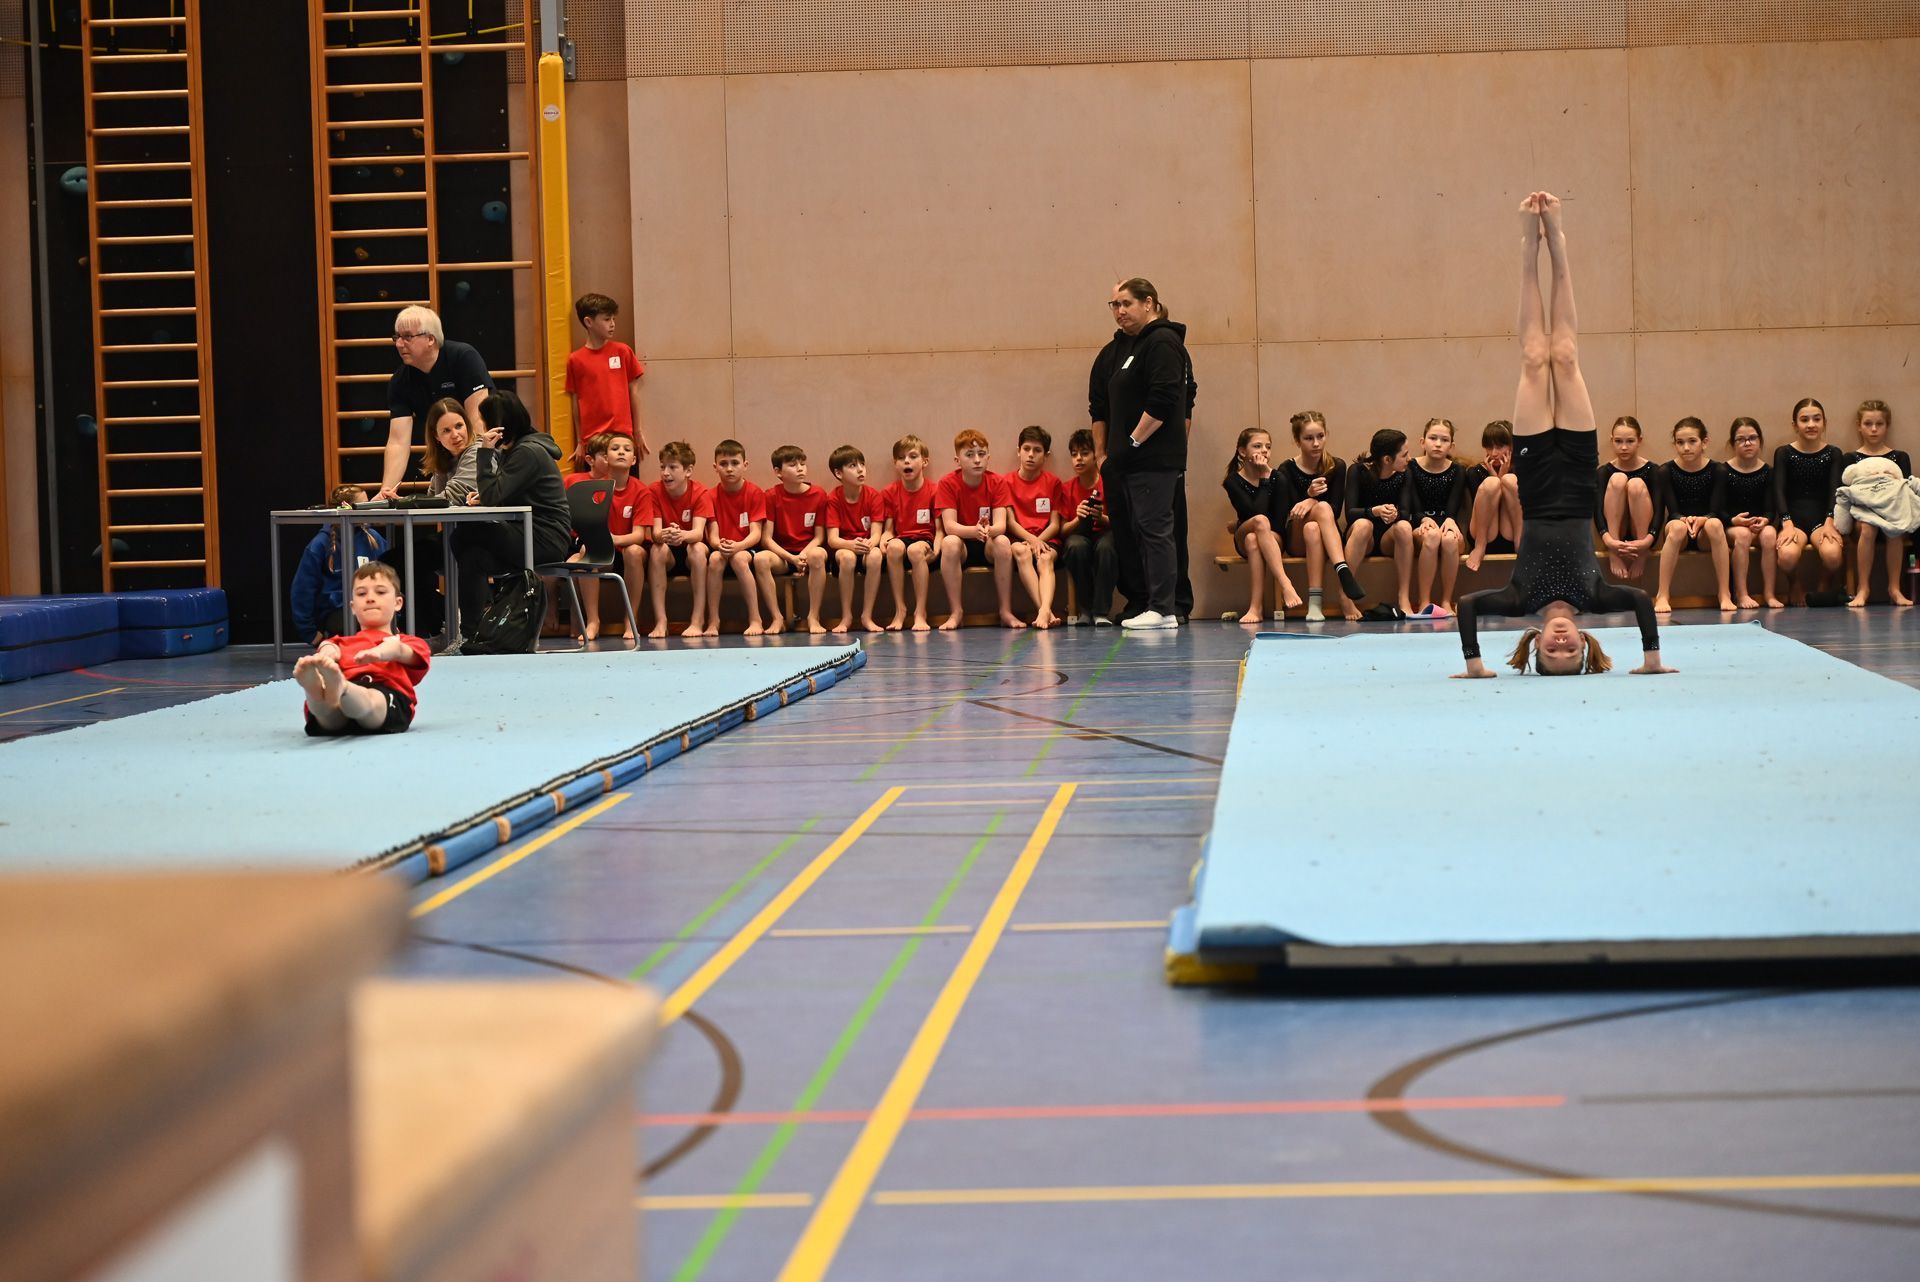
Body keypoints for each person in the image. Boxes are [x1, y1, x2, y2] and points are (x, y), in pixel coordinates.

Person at [1455, 192, 1670, 679]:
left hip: (1533, 481)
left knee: (1535, 359)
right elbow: (1640, 600)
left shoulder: (1519, 599)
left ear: (1534, 645)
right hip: (1576, 477)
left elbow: (1467, 605)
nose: (1559, 644)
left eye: (1549, 654)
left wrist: (1475, 666)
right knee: (1566, 357)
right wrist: (1652, 660)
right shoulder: (1596, 597)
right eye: (1570, 653)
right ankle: (1558, 242)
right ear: (1584, 644)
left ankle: (1529, 246)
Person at [1090, 277, 1188, 631]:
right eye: (1114, 305)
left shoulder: (1162, 342)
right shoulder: (1125, 348)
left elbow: (1164, 400)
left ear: (1149, 303)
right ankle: (1152, 604)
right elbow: (1100, 406)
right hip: (1130, 462)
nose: (1119, 311)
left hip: (1152, 460)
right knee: (1143, 530)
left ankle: (1163, 608)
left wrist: (1132, 442)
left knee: (1156, 530)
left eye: (1126, 303)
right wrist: (1105, 455)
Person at [453, 391, 572, 647]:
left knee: (464, 534)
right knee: (472, 556)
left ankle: (476, 627)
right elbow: (502, 494)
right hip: (529, 531)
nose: (482, 429)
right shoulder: (520, 449)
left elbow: (494, 495)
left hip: (545, 538)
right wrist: (486, 496)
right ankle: (475, 633)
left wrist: (485, 452)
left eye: (485, 422)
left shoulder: (527, 452)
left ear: (498, 425)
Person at [293, 561, 430, 735]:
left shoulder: (406, 641)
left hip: (386, 692)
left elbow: (406, 653)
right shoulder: (340, 642)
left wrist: (383, 652)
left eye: (380, 592)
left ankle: (342, 689)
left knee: (372, 700)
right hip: (339, 696)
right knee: (328, 712)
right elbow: (327, 646)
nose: (370, 598)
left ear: (398, 603)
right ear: (352, 607)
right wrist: (327, 651)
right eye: (361, 593)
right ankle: (315, 693)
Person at [380, 305, 494, 500]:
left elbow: (478, 421)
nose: (399, 344)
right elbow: (398, 441)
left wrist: (478, 465)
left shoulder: (464, 357)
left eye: (407, 337)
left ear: (430, 339)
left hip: (483, 451)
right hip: (445, 456)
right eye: (397, 337)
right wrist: (386, 491)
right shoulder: (400, 381)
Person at [562, 432, 650, 641]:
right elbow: (590, 531)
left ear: (634, 460)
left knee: (634, 552)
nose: (621, 452)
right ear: (606, 458)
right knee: (586, 551)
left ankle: (630, 619)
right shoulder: (595, 489)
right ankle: (593, 621)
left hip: (627, 551)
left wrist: (613, 539)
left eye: (627, 449)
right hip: (605, 553)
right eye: (615, 449)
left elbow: (638, 535)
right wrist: (602, 541)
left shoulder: (641, 490)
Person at [1277, 410, 1363, 620]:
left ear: (1326, 435)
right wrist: (1309, 497)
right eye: (1308, 438)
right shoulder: (1286, 469)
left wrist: (1313, 501)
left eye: (1320, 436)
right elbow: (1287, 513)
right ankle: (1342, 568)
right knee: (1319, 510)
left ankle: (1314, 605)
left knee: (1314, 527)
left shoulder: (1336, 466)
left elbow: (1335, 510)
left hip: (1324, 534)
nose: (1316, 443)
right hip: (1296, 537)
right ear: (1297, 441)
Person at [934, 429, 1017, 630]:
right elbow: (950, 526)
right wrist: (974, 530)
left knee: (1003, 542)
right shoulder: (947, 483)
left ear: (988, 457)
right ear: (958, 460)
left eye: (981, 454)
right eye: (970, 455)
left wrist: (986, 531)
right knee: (949, 543)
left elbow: (1001, 525)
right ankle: (956, 612)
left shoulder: (997, 482)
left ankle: (1005, 611)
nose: (977, 460)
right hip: (962, 544)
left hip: (987, 542)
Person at [1651, 417, 1733, 615]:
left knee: (1715, 524)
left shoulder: (1718, 470)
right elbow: (1672, 510)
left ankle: (1724, 593)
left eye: (1692, 441)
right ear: (1674, 444)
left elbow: (1716, 509)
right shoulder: (1666, 471)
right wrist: (1683, 519)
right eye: (1680, 442)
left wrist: (1703, 519)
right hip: (1678, 530)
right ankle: (1663, 594)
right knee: (1678, 527)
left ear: (1704, 442)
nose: (1686, 447)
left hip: (1706, 532)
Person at [1222, 426, 1303, 624]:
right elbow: (1254, 513)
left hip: (1273, 537)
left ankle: (1255, 608)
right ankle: (1286, 583)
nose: (1264, 451)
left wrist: (1268, 477)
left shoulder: (1279, 478)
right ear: (1242, 451)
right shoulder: (1233, 481)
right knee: (1258, 522)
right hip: (1245, 531)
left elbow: (1277, 522)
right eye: (1257, 446)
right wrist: (1264, 480)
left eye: (1268, 446)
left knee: (1254, 539)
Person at [292, 484, 388, 647]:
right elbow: (302, 591)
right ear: (345, 507)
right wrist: (310, 633)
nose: (369, 509)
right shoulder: (320, 544)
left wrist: (394, 618)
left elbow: (389, 580)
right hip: (338, 612)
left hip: (372, 605)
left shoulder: (373, 538)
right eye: (364, 505)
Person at [1772, 397, 1845, 604]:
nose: (1811, 424)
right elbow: (1778, 490)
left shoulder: (1833, 453)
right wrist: (1786, 523)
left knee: (1832, 555)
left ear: (1825, 423)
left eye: (1816, 419)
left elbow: (1836, 490)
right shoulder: (1784, 453)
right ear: (1795, 425)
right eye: (1804, 420)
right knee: (1787, 557)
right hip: (1793, 520)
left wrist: (1830, 521)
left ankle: (1824, 582)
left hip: (1823, 520)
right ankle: (1794, 583)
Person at [564, 292, 650, 467]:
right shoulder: (575, 360)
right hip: (593, 440)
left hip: (623, 436)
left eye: (613, 319)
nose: (612, 324)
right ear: (588, 322)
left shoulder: (623, 351)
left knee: (623, 481)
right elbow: (575, 401)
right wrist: (580, 441)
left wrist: (637, 431)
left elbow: (633, 393)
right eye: (606, 319)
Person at [755, 444, 830, 634]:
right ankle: (777, 618)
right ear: (778, 472)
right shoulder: (771, 496)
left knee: (817, 555)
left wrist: (803, 555)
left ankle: (813, 617)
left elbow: (820, 536)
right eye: (792, 465)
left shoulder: (819, 494)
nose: (800, 468)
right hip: (783, 556)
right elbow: (766, 539)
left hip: (808, 552)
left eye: (802, 464)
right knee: (760, 559)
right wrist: (792, 558)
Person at [1841, 399, 1910, 607]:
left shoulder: (1900, 457)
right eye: (1868, 424)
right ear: (1859, 426)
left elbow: (1906, 491)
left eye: (1879, 424)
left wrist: (1893, 479)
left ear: (1887, 426)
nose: (1873, 429)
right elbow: (1845, 492)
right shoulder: (1851, 458)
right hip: (1863, 516)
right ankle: (1863, 589)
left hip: (1892, 513)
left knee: (1894, 528)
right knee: (1868, 527)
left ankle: (1894, 589)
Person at [1345, 428, 1416, 617]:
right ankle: (1346, 595)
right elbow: (1350, 514)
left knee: (1404, 527)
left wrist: (1394, 515)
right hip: (1362, 537)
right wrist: (1374, 511)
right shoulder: (1358, 471)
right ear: (1387, 459)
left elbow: (1405, 512)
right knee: (1363, 525)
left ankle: (1404, 597)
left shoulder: (1404, 474)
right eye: (1404, 455)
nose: (1409, 459)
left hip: (1387, 539)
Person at [700, 440, 766, 636]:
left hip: (746, 548)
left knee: (739, 559)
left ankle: (755, 619)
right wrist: (719, 544)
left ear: (745, 465)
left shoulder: (755, 492)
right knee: (714, 559)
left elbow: (756, 534)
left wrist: (738, 546)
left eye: (735, 463)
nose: (729, 469)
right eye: (723, 464)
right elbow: (712, 535)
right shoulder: (709, 496)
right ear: (715, 467)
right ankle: (713, 621)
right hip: (722, 549)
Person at [648, 441, 713, 638]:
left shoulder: (700, 492)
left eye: (672, 467)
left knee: (698, 548)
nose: (665, 473)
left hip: (690, 550)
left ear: (688, 471)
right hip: (668, 552)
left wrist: (681, 535)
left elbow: (698, 533)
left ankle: (697, 620)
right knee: (656, 549)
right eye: (662, 467)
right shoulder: (653, 491)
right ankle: (661, 621)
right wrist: (666, 534)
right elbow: (655, 533)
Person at [1003, 426, 1066, 629]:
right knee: (1021, 552)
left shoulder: (1054, 483)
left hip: (1047, 539)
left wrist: (1039, 541)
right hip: (1019, 539)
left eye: (1037, 450)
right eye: (1026, 449)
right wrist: (1031, 541)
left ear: (1046, 455)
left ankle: (1044, 610)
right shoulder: (1006, 482)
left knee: (1045, 559)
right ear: (1018, 451)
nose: (1031, 454)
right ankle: (1045, 610)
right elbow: (1010, 523)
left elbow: (1055, 524)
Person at [1404, 417, 1467, 616]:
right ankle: (1424, 601)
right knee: (1432, 536)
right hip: (1420, 525)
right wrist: (1422, 518)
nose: (1438, 444)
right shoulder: (1411, 467)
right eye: (1433, 438)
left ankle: (1447, 601)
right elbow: (1412, 503)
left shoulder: (1457, 471)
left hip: (1447, 524)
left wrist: (1450, 519)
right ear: (1422, 442)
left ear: (1451, 446)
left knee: (1449, 539)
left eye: (1444, 440)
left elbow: (1453, 507)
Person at [825, 444, 890, 634]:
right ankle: (846, 616)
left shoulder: (874, 496)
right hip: (845, 549)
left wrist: (870, 543)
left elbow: (876, 534)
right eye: (853, 466)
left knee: (876, 555)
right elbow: (833, 540)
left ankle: (867, 616)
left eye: (862, 464)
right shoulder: (833, 499)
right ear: (839, 473)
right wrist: (851, 545)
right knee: (847, 557)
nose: (860, 469)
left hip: (866, 547)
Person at [880, 435, 938, 632]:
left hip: (925, 539)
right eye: (901, 457)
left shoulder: (934, 490)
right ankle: (900, 610)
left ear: (924, 462)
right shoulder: (889, 492)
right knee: (894, 547)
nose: (906, 461)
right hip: (901, 538)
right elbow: (889, 530)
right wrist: (884, 541)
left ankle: (920, 612)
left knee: (914, 550)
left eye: (913, 456)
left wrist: (937, 549)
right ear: (895, 463)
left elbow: (940, 530)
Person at [1059, 428, 1117, 626]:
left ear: (1095, 456)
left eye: (1084, 453)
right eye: (1074, 454)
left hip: (1105, 532)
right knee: (1075, 546)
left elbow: (1121, 523)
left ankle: (1100, 612)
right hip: (1079, 534)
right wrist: (1078, 518)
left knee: (1106, 548)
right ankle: (1085, 610)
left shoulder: (1108, 483)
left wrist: (1101, 518)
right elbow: (1062, 530)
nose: (1079, 459)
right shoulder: (1066, 488)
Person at [1723, 416, 1780, 609]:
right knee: (1743, 535)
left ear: (1760, 441)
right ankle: (1742, 594)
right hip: (1732, 526)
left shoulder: (1768, 472)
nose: (1747, 443)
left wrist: (1766, 520)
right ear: (1732, 444)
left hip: (1758, 525)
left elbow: (1771, 509)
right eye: (1741, 439)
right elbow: (1717, 509)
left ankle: (1769, 594)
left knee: (1770, 533)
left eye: (1752, 438)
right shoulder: (1723, 471)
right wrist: (1733, 520)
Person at [1597, 414, 1657, 580]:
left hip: (1642, 532)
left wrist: (1647, 542)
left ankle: (1641, 553)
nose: (1624, 447)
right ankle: (1615, 553)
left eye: (1630, 441)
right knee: (1618, 479)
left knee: (1636, 483)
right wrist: (1609, 542)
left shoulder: (1652, 470)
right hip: (1616, 532)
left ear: (1639, 440)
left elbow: (1659, 510)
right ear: (1612, 440)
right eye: (1618, 441)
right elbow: (1597, 511)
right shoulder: (1603, 472)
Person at [1463, 419, 1521, 572]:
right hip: (1485, 534)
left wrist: (1503, 477)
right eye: (1489, 447)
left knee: (1510, 480)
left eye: (1500, 446)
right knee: (1491, 483)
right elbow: (1483, 508)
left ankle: (1521, 543)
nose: (1494, 453)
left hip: (1512, 532)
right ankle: (1480, 547)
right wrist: (1495, 479)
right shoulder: (1474, 472)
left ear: (1512, 446)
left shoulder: (1522, 470)